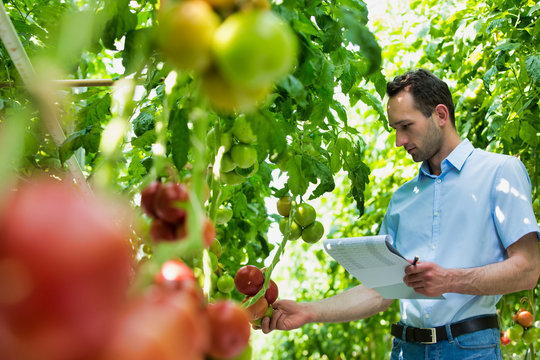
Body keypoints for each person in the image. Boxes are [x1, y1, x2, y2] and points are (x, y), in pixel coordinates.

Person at [261, 69, 540, 359]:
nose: (398, 140)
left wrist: (449, 280)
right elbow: (381, 292)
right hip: (405, 350)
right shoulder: (402, 199)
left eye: (406, 126)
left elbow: (528, 269)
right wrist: (308, 311)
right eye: (395, 128)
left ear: (441, 115)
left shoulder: (500, 172)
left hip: (469, 349)